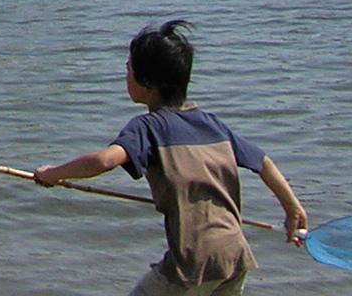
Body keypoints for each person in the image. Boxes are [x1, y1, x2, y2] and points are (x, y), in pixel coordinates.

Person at [33, 20, 309, 296]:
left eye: (128, 68)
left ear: (148, 82)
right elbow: (263, 163)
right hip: (235, 257)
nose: (125, 75)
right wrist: (292, 208)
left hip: (192, 264)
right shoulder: (212, 125)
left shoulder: (147, 127)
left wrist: (53, 174)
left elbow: (104, 161)